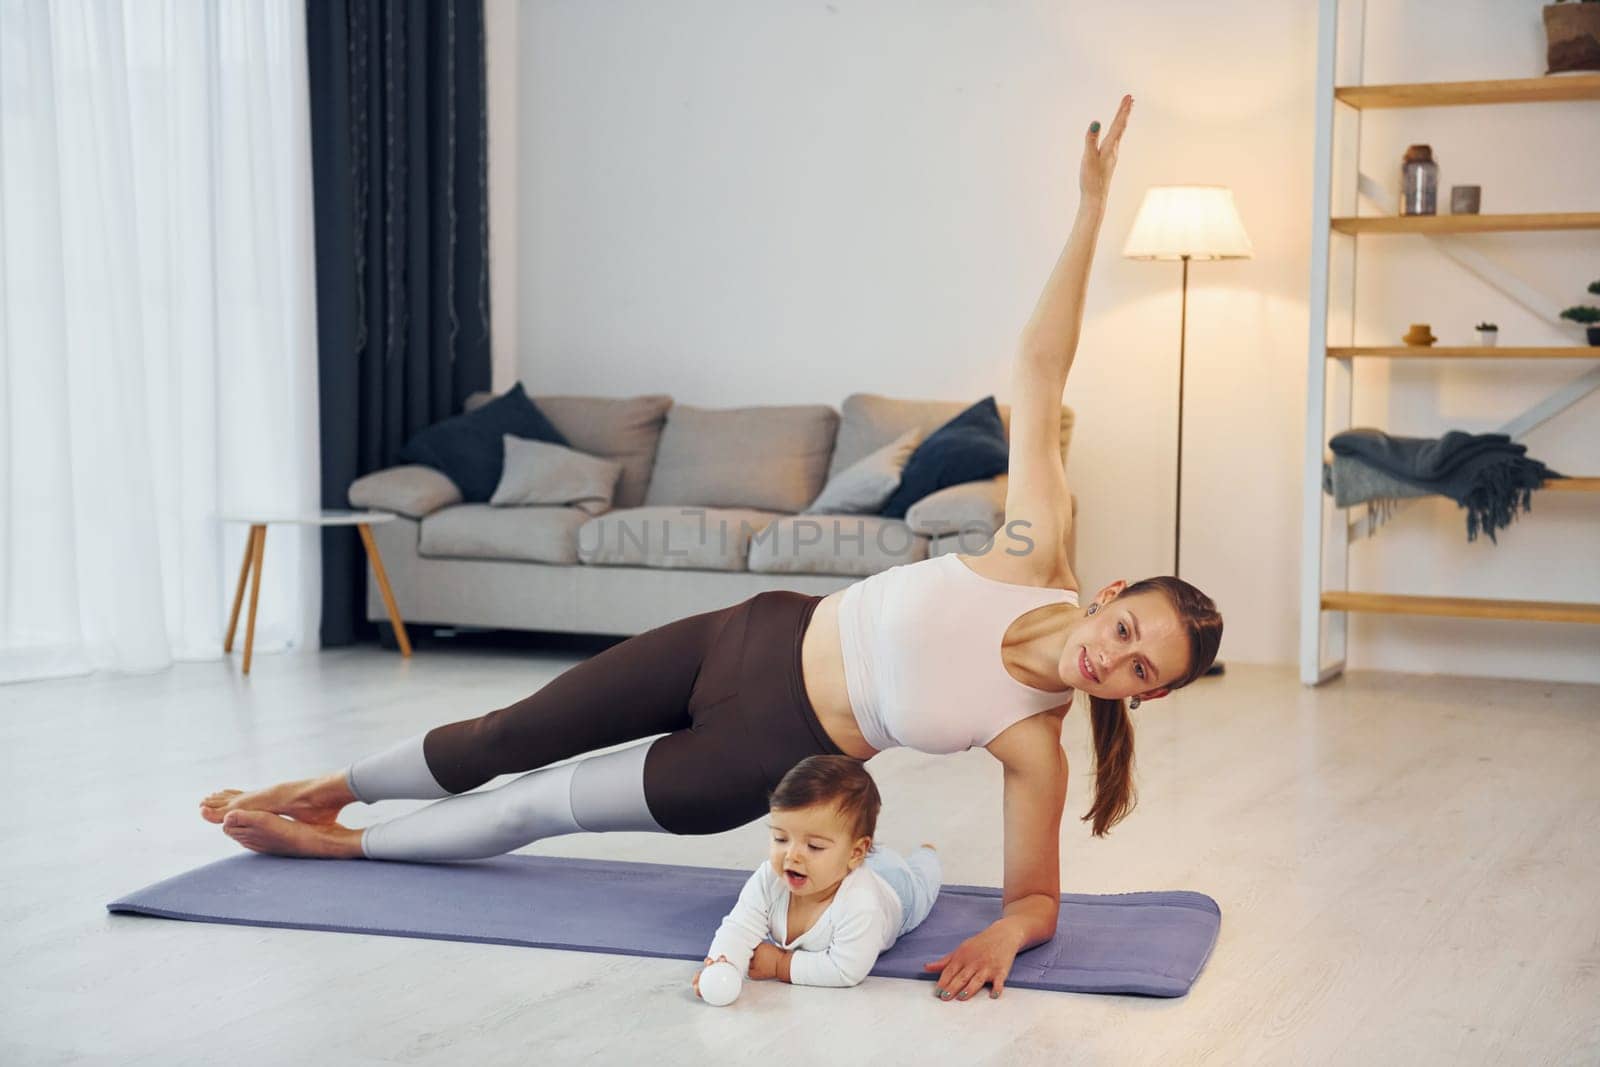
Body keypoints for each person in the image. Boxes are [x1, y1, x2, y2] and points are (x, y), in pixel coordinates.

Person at [201, 93, 1222, 1003]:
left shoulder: (1032, 740)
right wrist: (1090, 211)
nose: (1113, 659)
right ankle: (328, 785)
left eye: (1140, 671)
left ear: (1147, 698)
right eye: (1127, 629)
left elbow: (1035, 893)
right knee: (504, 732)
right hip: (742, 633)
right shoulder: (1031, 543)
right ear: (1110, 591)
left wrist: (1006, 928)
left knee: (530, 807)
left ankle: (333, 844)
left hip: (755, 755)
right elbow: (1040, 371)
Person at [693, 755, 941, 994]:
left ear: (855, 853)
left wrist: (782, 964)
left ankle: (928, 853)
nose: (792, 855)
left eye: (814, 846)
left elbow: (846, 970)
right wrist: (722, 964)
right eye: (781, 838)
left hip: (895, 887)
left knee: (922, 882)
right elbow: (738, 928)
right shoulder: (770, 878)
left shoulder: (862, 904)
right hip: (851, 863)